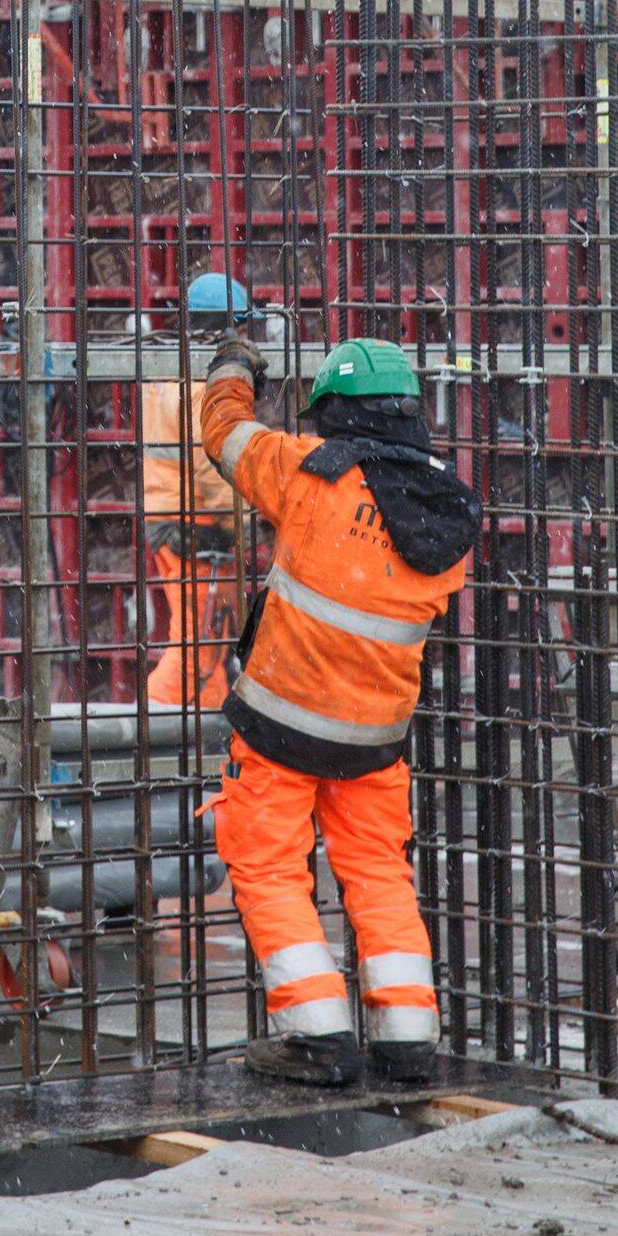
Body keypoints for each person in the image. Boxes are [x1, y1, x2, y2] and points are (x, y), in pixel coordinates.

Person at [198, 331, 479, 1089]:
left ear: (334, 411)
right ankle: (407, 1037)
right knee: (379, 873)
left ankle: (319, 1035)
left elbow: (225, 435)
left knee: (266, 868)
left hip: (282, 724)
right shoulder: (449, 511)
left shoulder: (308, 474)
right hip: (375, 738)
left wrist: (234, 367)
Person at [141, 272, 250, 708]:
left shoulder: (169, 369)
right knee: (198, 642)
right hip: (194, 523)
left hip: (175, 520)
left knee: (210, 637)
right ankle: (155, 723)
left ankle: (205, 729)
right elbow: (213, 466)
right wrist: (244, 519)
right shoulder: (203, 386)